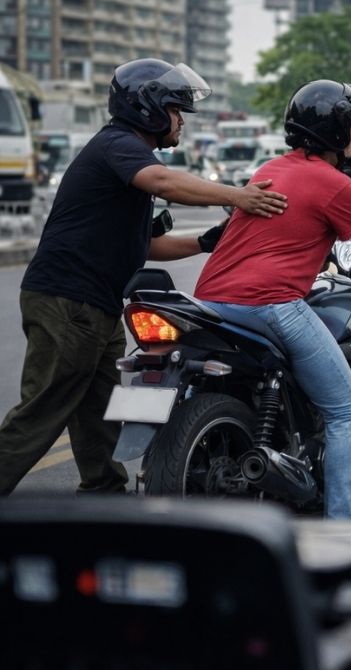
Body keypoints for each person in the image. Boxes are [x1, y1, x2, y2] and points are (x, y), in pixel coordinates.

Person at [0, 59, 288, 496]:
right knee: (45, 409)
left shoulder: (128, 163)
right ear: (146, 108)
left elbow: (149, 246)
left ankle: (106, 496)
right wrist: (237, 195)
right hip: (66, 302)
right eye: (175, 111)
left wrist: (207, 241)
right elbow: (164, 181)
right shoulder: (119, 146)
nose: (180, 122)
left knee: (99, 412)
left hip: (94, 307)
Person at [193, 80, 351, 520]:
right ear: (336, 132)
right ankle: (342, 528)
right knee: (350, 412)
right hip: (271, 304)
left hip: (212, 299)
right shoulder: (337, 185)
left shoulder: (270, 170)